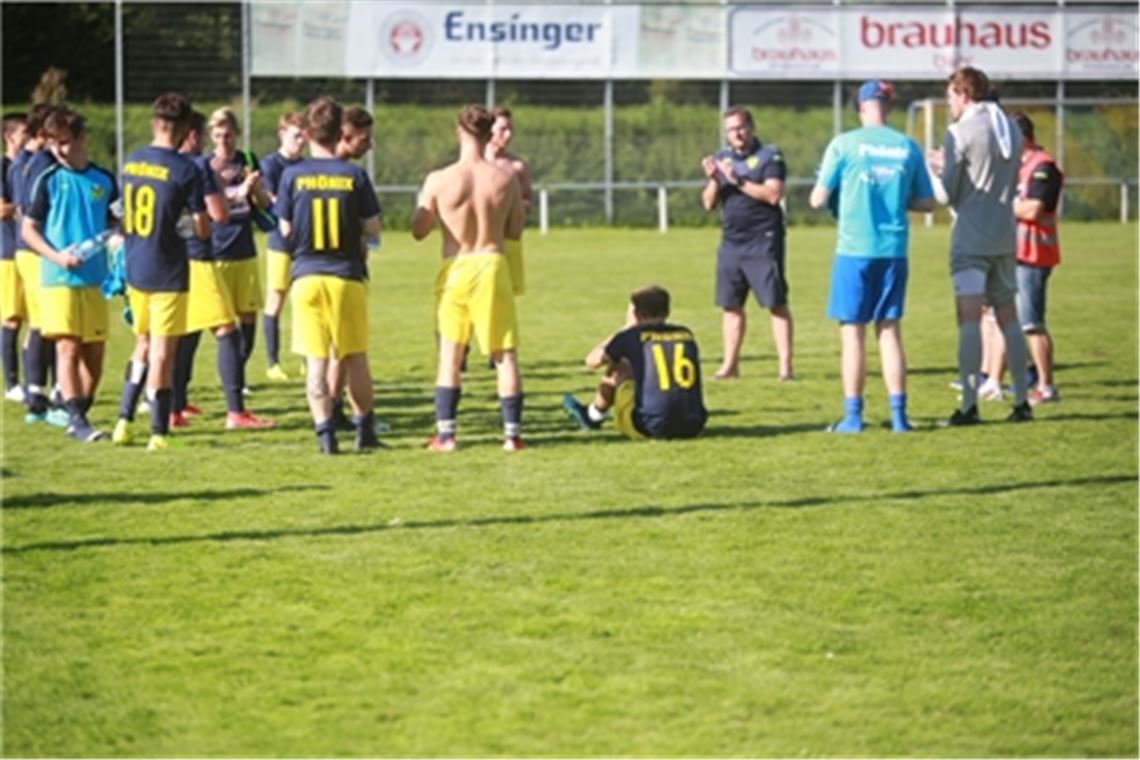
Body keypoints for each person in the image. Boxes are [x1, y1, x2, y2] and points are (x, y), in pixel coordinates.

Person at [809, 80, 935, 433]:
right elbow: (927, 202)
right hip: (893, 250)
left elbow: (817, 199)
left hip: (854, 249)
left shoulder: (844, 144)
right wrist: (896, 199)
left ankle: (853, 417)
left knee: (853, 334)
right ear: (889, 107)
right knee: (889, 332)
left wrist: (840, 193)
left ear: (860, 107)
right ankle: (899, 417)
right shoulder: (907, 146)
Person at [411, 104, 525, 452]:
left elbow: (418, 230)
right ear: (490, 134)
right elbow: (515, 231)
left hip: (456, 264)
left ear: (458, 132)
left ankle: (446, 435)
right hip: (492, 263)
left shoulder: (439, 179)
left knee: (450, 353)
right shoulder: (506, 178)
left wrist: (430, 207)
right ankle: (512, 435)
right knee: (504, 354)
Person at [275, 96, 384, 454]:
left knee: (316, 361)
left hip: (306, 276)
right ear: (341, 133)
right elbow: (373, 227)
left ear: (307, 134)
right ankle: (364, 431)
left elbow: (285, 229)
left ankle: (325, 436)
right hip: (346, 276)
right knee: (355, 357)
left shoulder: (292, 175)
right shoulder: (355, 176)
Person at [926, 66, 1031, 425]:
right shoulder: (1010, 127)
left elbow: (946, 195)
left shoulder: (960, 132)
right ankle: (1022, 402)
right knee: (1009, 318)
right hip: (1004, 234)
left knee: (968, 320)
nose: (949, 104)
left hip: (971, 237)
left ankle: (969, 405)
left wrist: (932, 170)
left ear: (964, 94)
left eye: (951, 96)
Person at [113, 92, 209, 450]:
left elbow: (121, 215)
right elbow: (202, 227)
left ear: (155, 123)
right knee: (163, 353)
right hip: (168, 270)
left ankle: (124, 420)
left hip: (136, 265)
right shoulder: (186, 169)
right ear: (185, 128)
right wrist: (182, 224)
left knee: (142, 343)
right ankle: (158, 432)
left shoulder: (132, 162)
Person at [170, 109, 274, 431]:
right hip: (202, 257)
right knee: (225, 331)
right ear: (193, 135)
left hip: (174, 257)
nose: (213, 141)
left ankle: (172, 408)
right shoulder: (198, 166)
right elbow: (218, 215)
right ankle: (235, 412)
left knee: (182, 333)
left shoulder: (159, 164)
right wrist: (237, 196)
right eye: (208, 134)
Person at [21, 106, 118, 442]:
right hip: (58, 279)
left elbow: (117, 221)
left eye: (63, 142)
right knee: (68, 347)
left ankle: (76, 410)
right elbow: (28, 230)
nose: (58, 150)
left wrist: (118, 236)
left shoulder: (104, 180)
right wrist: (57, 257)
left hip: (95, 279)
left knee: (95, 354)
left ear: (81, 138)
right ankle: (77, 421)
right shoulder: (48, 180)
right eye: (52, 143)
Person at [701, 106, 794, 381]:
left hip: (763, 240)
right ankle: (730, 366)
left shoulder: (770, 156)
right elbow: (708, 204)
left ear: (752, 127)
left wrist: (738, 181)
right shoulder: (722, 158)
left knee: (775, 303)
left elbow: (773, 195)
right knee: (730, 306)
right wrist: (714, 180)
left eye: (741, 127)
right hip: (732, 241)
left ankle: (785, 369)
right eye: (731, 130)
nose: (737, 134)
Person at [562, 285, 707, 440]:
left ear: (636, 313)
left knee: (619, 366)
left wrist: (627, 327)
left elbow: (592, 361)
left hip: (649, 428)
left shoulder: (631, 336)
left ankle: (593, 416)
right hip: (694, 426)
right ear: (668, 312)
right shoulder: (685, 333)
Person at [11, 103, 64, 424]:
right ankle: (42, 400)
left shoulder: (22, 162)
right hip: (35, 250)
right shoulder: (43, 163)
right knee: (48, 324)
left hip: (26, 250)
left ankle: (41, 396)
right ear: (45, 132)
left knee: (41, 324)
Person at [207, 107, 268, 381]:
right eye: (218, 135)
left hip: (244, 249)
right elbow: (208, 207)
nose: (223, 141)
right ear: (211, 136)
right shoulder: (206, 166)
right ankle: (229, 377)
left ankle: (238, 376)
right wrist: (238, 193)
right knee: (222, 322)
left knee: (249, 317)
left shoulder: (247, 160)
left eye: (228, 135)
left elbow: (263, 202)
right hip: (217, 250)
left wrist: (255, 190)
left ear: (237, 134)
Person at [1007, 110, 1064, 406]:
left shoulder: (1044, 167)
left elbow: (1033, 210)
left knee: (1032, 323)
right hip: (1016, 253)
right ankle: (1030, 378)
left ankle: (1047, 387)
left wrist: (1000, 205)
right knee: (1015, 321)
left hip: (1034, 255)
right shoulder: (1019, 166)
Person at [260, 111, 306, 382]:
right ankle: (273, 362)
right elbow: (273, 201)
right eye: (296, 135)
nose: (301, 141)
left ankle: (306, 359)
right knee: (276, 298)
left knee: (304, 300)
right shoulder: (271, 165)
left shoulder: (307, 166)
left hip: (305, 242)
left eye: (304, 136)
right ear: (282, 134)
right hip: (280, 242)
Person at [485, 106, 532, 296]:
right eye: (503, 129)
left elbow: (528, 201)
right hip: (479, 243)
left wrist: (511, 209)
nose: (508, 134)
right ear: (489, 130)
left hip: (508, 241)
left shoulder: (517, 167)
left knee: (506, 296)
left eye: (510, 129)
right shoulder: (474, 165)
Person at [1, 112, 28, 402]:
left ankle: (38, 383)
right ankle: (11, 384)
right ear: (9, 137)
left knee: (38, 322)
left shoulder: (29, 165)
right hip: (7, 251)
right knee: (11, 318)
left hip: (27, 250)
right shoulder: (4, 167)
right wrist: (23, 208)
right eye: (23, 132)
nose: (28, 137)